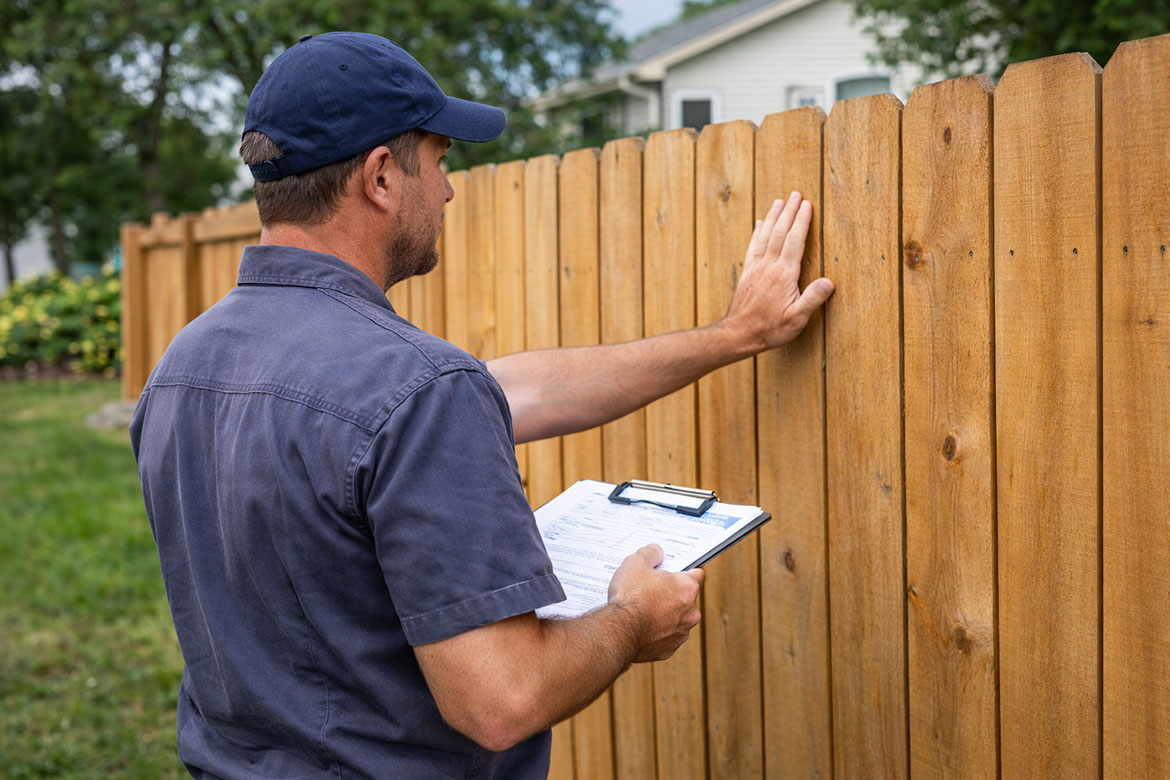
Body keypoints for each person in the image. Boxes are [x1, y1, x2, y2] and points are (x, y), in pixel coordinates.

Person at [130, 31, 833, 780]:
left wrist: (734, 336)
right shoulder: (418, 391)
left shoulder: (185, 366)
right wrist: (633, 619)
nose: (448, 189)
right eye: (438, 161)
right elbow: (500, 700)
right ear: (379, 177)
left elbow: (512, 390)